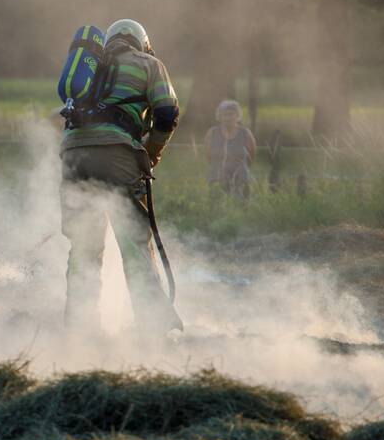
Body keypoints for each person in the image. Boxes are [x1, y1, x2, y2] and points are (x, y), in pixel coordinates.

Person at [60, 19, 182, 336]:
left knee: (84, 244)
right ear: (142, 43)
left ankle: (80, 329)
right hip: (117, 152)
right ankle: (154, 329)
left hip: (73, 154)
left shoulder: (91, 69)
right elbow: (167, 113)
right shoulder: (149, 64)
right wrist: (151, 153)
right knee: (134, 242)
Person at [204, 99, 256, 199]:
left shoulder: (245, 133)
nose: (228, 118)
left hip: (240, 179)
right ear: (220, 116)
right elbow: (208, 155)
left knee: (240, 205)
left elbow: (251, 155)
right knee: (216, 203)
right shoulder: (212, 133)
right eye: (225, 114)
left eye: (232, 114)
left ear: (237, 115)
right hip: (217, 178)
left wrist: (242, 168)